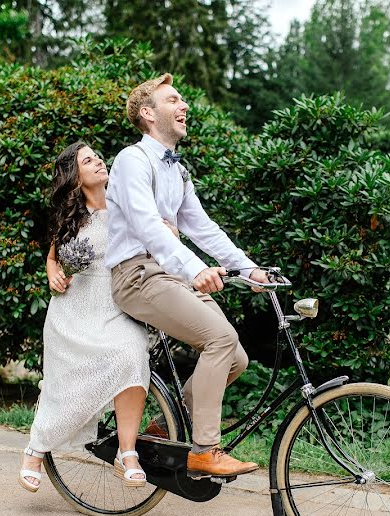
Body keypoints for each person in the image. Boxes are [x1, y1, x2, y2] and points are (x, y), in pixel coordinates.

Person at [106, 73, 271, 478]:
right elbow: (147, 226)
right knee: (221, 338)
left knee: (236, 358)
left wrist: (249, 268)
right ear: (148, 114)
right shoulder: (132, 160)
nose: (184, 106)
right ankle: (204, 450)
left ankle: (165, 428)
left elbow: (203, 228)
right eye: (173, 100)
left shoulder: (178, 172)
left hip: (167, 275)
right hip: (137, 275)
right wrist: (195, 269)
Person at [18, 141, 177, 492]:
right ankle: (36, 449)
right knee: (64, 384)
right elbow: (53, 257)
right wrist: (53, 273)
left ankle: (128, 452)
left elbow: (159, 238)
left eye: (97, 157)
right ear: (76, 179)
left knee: (132, 354)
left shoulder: (127, 207)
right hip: (74, 310)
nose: (98, 162)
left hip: (116, 304)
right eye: (88, 160)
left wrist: (169, 233)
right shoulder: (71, 218)